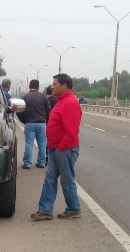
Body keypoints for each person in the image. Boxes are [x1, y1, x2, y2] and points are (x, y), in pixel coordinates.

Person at [31, 73, 82, 220]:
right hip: (55, 148)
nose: (52, 86)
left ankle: (73, 209)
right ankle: (45, 210)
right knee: (50, 180)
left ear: (64, 86)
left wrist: (62, 147)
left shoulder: (70, 103)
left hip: (64, 149)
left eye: (55, 84)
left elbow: (72, 131)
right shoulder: (61, 101)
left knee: (66, 180)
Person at [17, 79, 51, 169]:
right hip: (41, 124)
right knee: (42, 143)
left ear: (29, 86)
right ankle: (41, 162)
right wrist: (45, 120)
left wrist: (24, 120)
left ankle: (27, 163)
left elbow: (19, 111)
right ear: (38, 87)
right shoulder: (43, 97)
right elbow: (48, 110)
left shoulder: (25, 97)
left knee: (29, 143)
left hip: (30, 123)